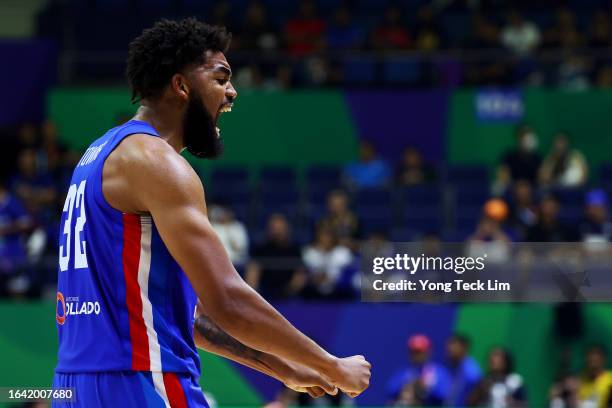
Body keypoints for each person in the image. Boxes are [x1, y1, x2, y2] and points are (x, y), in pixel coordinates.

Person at [52, 18, 370, 407]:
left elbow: (186, 315)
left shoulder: (98, 155)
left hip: (76, 388)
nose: (232, 92)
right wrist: (332, 365)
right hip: (144, 381)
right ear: (181, 86)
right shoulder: (158, 163)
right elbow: (227, 300)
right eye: (221, 79)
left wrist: (282, 367)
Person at [245, 213, 307, 300]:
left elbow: (300, 275)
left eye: (280, 229)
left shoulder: (295, 249)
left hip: (289, 294)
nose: (277, 232)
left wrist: (289, 291)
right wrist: (253, 295)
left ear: (287, 229)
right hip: (264, 293)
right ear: (269, 229)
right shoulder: (260, 249)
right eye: (274, 228)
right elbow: (252, 274)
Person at [386, 334, 451, 406]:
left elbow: (445, 394)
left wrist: (427, 387)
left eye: (419, 351)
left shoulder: (439, 372)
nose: (416, 355)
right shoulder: (404, 372)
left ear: (428, 352)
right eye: (413, 351)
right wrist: (407, 385)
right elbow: (390, 390)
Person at [302, 224, 353, 298]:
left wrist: (331, 279)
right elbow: (305, 274)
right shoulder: (309, 252)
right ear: (318, 237)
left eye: (329, 235)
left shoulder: (343, 252)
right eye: (323, 235)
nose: (326, 239)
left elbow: (348, 275)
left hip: (339, 291)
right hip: (313, 291)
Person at [495, 125, 542, 191]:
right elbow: (502, 176)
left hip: (532, 192)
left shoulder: (538, 158)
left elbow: (543, 178)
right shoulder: (509, 157)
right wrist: (517, 186)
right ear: (519, 138)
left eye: (530, 134)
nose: (529, 139)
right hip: (512, 191)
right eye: (524, 135)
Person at [444, 334, 482, 407]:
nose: (449, 348)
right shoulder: (454, 367)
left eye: (454, 345)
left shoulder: (471, 371)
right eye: (449, 345)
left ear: (464, 348)